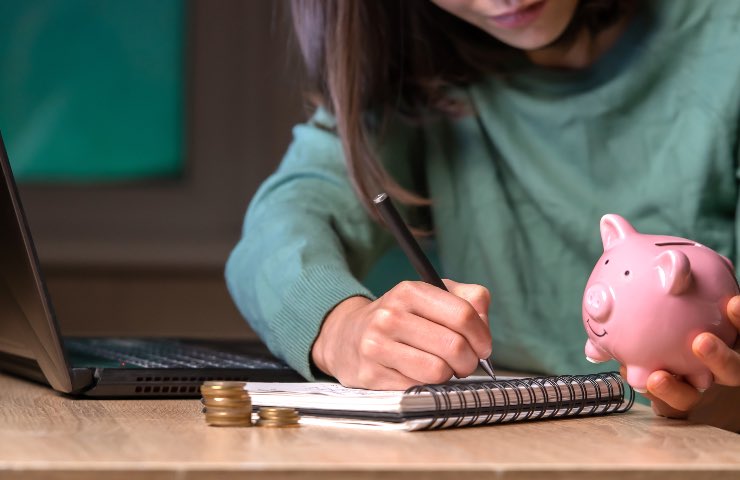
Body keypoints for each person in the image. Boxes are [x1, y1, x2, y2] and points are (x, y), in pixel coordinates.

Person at [226, 0, 740, 421]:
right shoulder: (416, 67)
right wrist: (340, 328)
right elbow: (286, 220)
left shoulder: (724, 40)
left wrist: (726, 399)